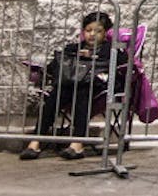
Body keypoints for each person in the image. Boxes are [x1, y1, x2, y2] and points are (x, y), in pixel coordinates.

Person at [21, 11, 123, 159]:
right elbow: (56, 66)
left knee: (83, 93)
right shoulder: (73, 48)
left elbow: (121, 65)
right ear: (83, 31)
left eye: (98, 31)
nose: (92, 34)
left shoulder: (112, 49)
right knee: (54, 96)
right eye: (88, 30)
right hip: (69, 86)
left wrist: (95, 57)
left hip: (96, 88)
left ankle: (77, 144)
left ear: (106, 32)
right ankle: (35, 141)